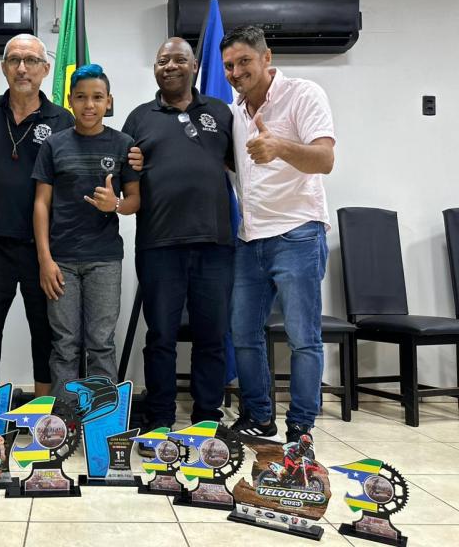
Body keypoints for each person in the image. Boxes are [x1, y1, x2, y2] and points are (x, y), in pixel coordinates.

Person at [221, 25, 335, 445]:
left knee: (304, 338)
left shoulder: (303, 94)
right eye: (229, 65)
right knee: (243, 334)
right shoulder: (232, 112)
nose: (236, 72)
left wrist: (280, 147)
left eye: (244, 62)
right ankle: (259, 417)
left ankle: (301, 428)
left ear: (266, 58)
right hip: (249, 238)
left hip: (297, 234)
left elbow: (325, 159)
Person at [122, 38, 235, 431]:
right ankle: (160, 418)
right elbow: (124, 175)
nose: (169, 66)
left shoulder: (221, 112)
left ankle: (207, 419)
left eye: (178, 59)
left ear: (195, 65)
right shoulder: (139, 118)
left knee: (212, 337)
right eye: (161, 60)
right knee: (161, 337)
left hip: (215, 245)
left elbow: (242, 168)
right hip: (159, 245)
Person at [0, 34, 74, 397]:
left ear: (46, 69)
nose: (22, 68)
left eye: (31, 60)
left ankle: (43, 414)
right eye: (14, 60)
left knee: (45, 332)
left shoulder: (62, 119)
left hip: (42, 249)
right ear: (3, 67)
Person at [33, 64, 140, 400]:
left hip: (104, 260)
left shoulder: (123, 144)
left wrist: (115, 205)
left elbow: (135, 200)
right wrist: (45, 260)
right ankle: (65, 417)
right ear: (70, 101)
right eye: (81, 97)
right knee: (64, 344)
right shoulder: (54, 145)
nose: (89, 105)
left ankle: (101, 417)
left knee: (101, 343)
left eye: (97, 97)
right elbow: (41, 204)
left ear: (109, 101)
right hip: (61, 261)